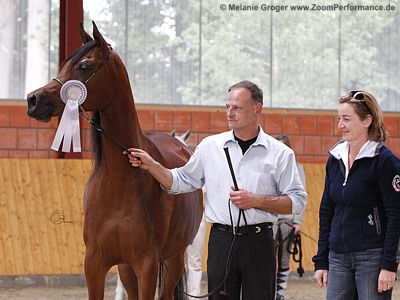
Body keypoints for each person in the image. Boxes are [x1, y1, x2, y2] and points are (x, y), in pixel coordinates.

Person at [126, 80, 306, 299]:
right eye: (227, 106)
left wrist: (257, 200)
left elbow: (297, 201)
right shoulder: (209, 147)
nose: (229, 113)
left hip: (260, 243)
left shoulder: (280, 153)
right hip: (222, 240)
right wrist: (152, 165)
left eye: (237, 108)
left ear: (257, 109)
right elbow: (181, 180)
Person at [312, 90, 400, 300]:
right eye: (339, 118)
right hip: (337, 257)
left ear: (367, 120)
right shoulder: (335, 158)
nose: (340, 124)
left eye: (347, 119)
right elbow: (327, 211)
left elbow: (396, 215)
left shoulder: (386, 162)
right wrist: (321, 260)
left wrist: (389, 265)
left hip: (372, 257)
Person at [274, 134, 307, 300]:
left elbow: (301, 196)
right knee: (267, 257)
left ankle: (280, 293)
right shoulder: (269, 166)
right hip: (270, 218)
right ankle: (269, 290)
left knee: (285, 258)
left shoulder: (297, 167)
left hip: (288, 218)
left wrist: (298, 221)